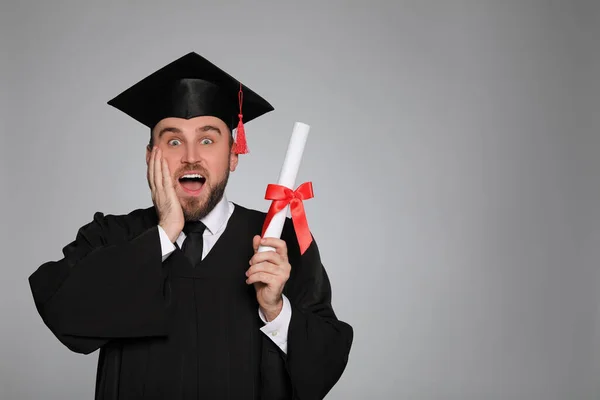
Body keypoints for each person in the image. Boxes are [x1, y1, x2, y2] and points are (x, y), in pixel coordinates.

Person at [28, 52, 353, 400]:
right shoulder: (112, 236)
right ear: (150, 155)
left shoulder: (278, 244)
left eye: (208, 139)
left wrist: (276, 310)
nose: (191, 156)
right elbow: (64, 313)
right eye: (173, 141)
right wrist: (165, 232)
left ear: (233, 155)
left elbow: (327, 358)